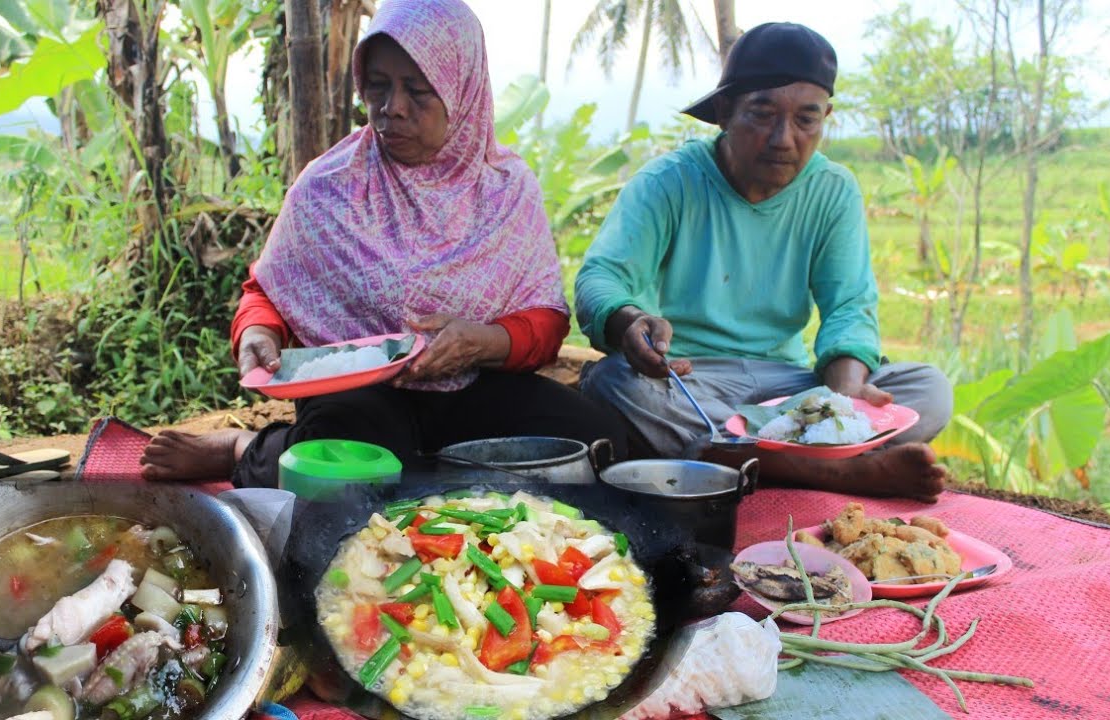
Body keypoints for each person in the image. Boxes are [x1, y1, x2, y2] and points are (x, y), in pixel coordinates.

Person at [141, 0, 626, 486]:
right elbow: (269, 289)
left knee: (596, 443)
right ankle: (246, 449)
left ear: (463, 91)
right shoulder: (329, 184)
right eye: (377, 86)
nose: (392, 107)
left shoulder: (506, 189)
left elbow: (544, 320)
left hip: (477, 387)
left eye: (416, 90)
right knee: (358, 474)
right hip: (359, 396)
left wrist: (484, 342)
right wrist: (258, 334)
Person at [574, 22, 951, 502]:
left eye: (806, 120)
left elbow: (849, 306)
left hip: (790, 391)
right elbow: (601, 278)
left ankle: (737, 461)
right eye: (763, 113)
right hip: (691, 382)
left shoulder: (832, 190)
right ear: (725, 111)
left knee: (928, 387)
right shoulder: (670, 182)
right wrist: (628, 320)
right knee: (613, 383)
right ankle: (837, 472)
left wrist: (847, 398)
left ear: (826, 117)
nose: (783, 139)